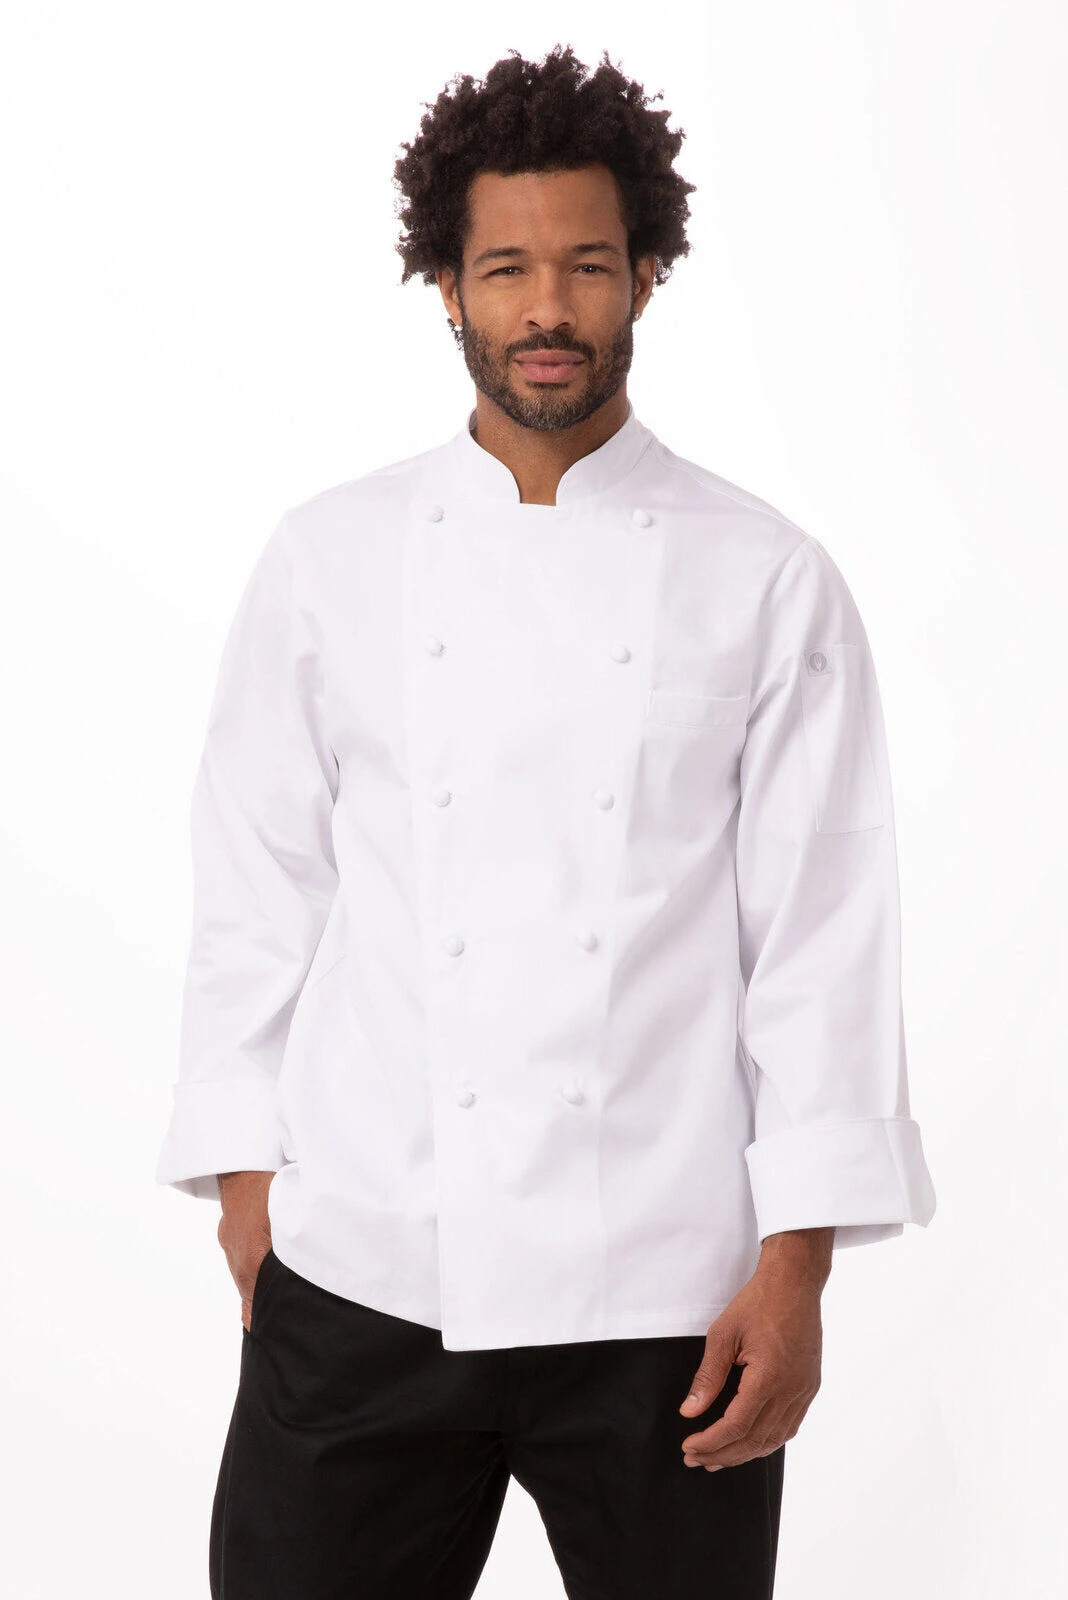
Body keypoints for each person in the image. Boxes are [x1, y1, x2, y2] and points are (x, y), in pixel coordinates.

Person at [155, 43, 936, 1600]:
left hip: (669, 1296)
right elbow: (257, 885)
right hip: (369, 1269)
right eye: (505, 269)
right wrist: (248, 1187)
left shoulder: (767, 579)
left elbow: (819, 939)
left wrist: (797, 1269)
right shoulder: (327, 560)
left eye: (586, 264)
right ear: (446, 285)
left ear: (645, 272)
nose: (547, 310)